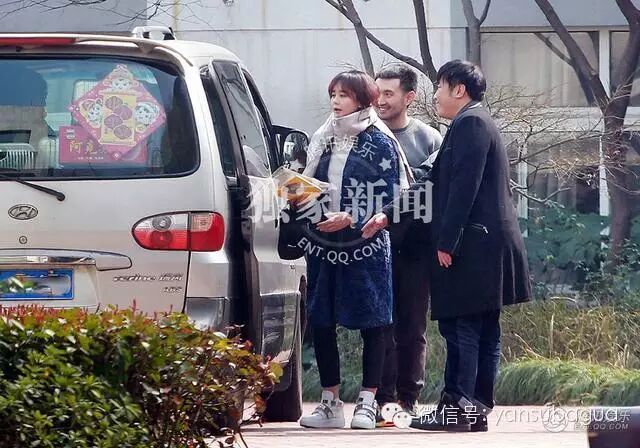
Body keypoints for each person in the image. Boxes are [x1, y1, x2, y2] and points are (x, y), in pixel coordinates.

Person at [362, 60, 532, 432]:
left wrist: (447, 241)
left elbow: (463, 189)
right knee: (482, 329)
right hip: (483, 244)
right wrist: (388, 215)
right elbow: (431, 182)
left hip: (473, 246)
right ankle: (473, 411)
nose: (435, 95)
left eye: (439, 86)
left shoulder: (471, 124)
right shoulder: (470, 123)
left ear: (459, 89)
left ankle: (456, 407)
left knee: (463, 329)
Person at [297, 70, 412, 430]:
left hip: (367, 242)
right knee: (321, 318)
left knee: (373, 322)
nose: (335, 101)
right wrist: (298, 193)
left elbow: (390, 194)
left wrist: (351, 216)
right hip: (324, 241)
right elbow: (311, 181)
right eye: (333, 93)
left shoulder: (379, 139)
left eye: (344, 95)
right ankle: (330, 403)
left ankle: (367, 401)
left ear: (362, 100)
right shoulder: (323, 137)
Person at [373, 65, 442, 420]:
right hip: (374, 245)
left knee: (413, 325)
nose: (380, 100)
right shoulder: (366, 136)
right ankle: (379, 396)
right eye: (377, 93)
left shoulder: (429, 139)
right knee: (379, 323)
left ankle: (408, 397)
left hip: (416, 248)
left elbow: (437, 189)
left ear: (409, 97)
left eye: (389, 93)